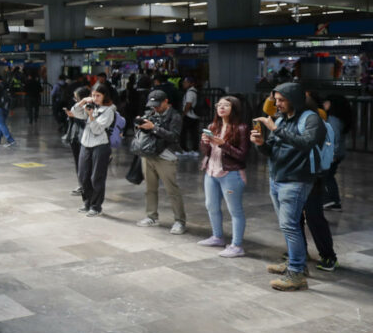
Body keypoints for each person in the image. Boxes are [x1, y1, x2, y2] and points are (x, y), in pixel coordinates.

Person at [251, 83, 325, 291]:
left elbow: (307, 143)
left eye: (282, 100)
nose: (277, 104)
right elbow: (272, 150)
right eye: (276, 100)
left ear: (295, 99)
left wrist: (276, 129)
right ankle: (296, 263)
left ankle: (296, 273)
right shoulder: (282, 119)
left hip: (297, 179)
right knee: (288, 225)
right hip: (277, 177)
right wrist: (260, 144)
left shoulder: (311, 119)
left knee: (290, 225)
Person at [197, 96, 251, 256]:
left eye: (226, 105)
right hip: (211, 172)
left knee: (235, 210)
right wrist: (205, 142)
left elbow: (242, 155)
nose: (221, 108)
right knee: (211, 205)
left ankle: (237, 246)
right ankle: (217, 236)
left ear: (234, 108)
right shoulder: (213, 126)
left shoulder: (241, 128)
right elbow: (206, 151)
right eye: (219, 105)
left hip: (231, 173)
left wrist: (223, 144)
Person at [133, 89, 188, 234]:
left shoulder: (175, 116)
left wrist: (154, 128)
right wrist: (140, 125)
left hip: (166, 157)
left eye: (158, 105)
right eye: (153, 105)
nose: (155, 108)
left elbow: (174, 136)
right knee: (150, 189)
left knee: (172, 190)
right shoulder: (150, 114)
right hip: (148, 155)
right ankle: (151, 216)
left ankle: (180, 221)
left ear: (166, 101)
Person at [298, 92, 338, 272]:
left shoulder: (321, 125)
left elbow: (326, 155)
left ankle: (329, 255)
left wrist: (319, 173)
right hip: (295, 177)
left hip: (313, 176)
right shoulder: (293, 123)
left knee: (314, 216)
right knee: (295, 216)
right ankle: (300, 251)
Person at [71, 83, 116, 216]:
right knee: (83, 176)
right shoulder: (90, 106)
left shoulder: (109, 111)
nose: (95, 98)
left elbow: (97, 129)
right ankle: (87, 202)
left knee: (97, 177)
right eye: (93, 95)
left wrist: (90, 116)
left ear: (104, 96)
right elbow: (74, 112)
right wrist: (83, 101)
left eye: (98, 95)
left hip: (100, 145)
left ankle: (96, 206)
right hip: (86, 144)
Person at [321, 94, 352, 211]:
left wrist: (332, 154)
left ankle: (328, 200)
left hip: (333, 153)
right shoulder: (339, 119)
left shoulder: (333, 119)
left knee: (323, 176)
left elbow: (334, 137)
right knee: (329, 176)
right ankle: (334, 201)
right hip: (338, 153)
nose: (324, 105)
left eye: (326, 102)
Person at [62, 86, 91, 195]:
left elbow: (87, 121)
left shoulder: (90, 107)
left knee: (84, 162)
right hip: (75, 136)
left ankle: (85, 186)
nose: (75, 100)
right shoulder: (77, 107)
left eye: (77, 98)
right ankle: (81, 184)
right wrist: (72, 115)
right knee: (78, 161)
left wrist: (75, 115)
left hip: (84, 137)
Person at [0, 74, 16, 146]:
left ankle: (10, 140)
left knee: (1, 124)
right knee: (1, 124)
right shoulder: (7, 85)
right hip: (6, 107)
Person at [179, 76, 201, 156]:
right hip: (195, 115)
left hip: (189, 116)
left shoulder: (190, 92)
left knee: (184, 133)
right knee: (194, 133)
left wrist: (183, 114)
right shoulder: (195, 91)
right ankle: (195, 150)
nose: (183, 84)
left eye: (186, 82)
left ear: (191, 83)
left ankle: (184, 149)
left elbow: (188, 104)